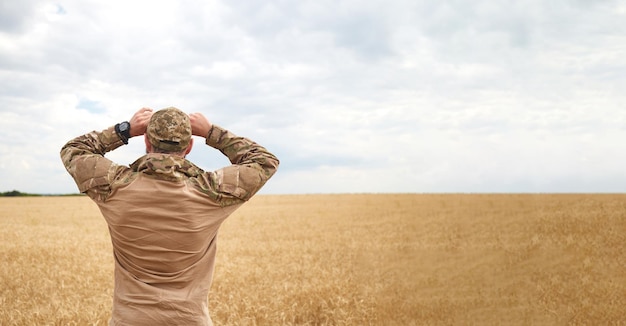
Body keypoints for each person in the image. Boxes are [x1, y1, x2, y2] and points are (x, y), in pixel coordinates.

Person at [60, 107, 279, 325]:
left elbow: (74, 150)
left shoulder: (114, 186)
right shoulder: (212, 192)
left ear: (146, 142)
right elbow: (264, 161)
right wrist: (211, 132)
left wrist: (124, 130)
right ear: (190, 146)